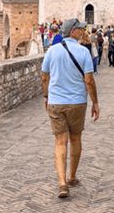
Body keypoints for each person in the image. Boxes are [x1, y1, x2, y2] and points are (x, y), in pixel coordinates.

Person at [41, 19, 100, 199]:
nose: (83, 31)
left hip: (56, 102)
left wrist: (46, 96)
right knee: (75, 138)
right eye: (81, 29)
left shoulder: (52, 51)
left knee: (60, 141)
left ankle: (62, 183)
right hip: (77, 102)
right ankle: (72, 177)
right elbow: (89, 80)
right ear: (73, 31)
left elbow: (44, 77)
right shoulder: (83, 52)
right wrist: (95, 102)